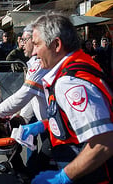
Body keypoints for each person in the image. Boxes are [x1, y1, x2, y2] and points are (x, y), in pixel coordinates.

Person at [21, 13, 113, 183]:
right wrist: (44, 124)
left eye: (37, 45)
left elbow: (103, 142)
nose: (34, 52)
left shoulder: (69, 82)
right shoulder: (80, 64)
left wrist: (64, 177)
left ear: (56, 44)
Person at [0, 24, 52, 181]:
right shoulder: (35, 62)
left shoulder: (40, 63)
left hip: (56, 126)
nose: (22, 43)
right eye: (22, 40)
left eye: (26, 40)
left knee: (40, 168)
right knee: (36, 167)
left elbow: (25, 93)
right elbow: (32, 96)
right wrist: (22, 118)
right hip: (48, 123)